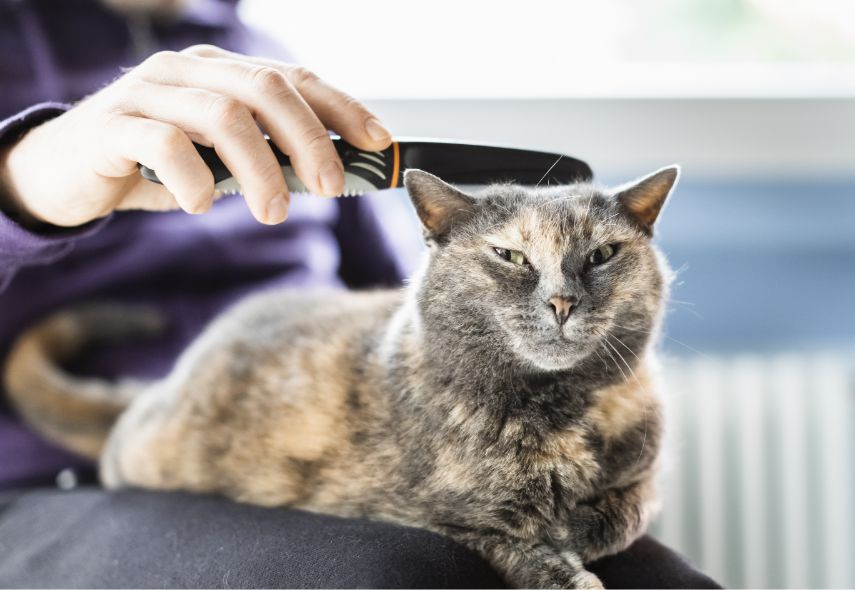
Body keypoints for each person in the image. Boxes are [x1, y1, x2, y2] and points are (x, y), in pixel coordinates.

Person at [0, 1, 718, 587]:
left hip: (314, 424)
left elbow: (398, 294)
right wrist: (24, 180)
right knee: (401, 576)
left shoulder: (264, 58)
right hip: (51, 481)